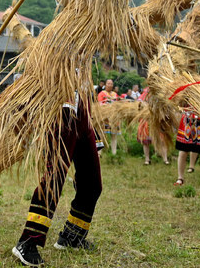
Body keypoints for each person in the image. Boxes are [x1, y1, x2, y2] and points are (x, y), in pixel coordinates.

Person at [13, 90, 102, 266]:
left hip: (82, 112)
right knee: (54, 178)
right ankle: (28, 241)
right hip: (62, 110)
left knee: (92, 183)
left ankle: (72, 237)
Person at [174, 69, 200, 192]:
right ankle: (180, 178)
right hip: (188, 121)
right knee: (183, 152)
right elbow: (180, 102)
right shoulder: (189, 88)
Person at [96, 79, 122, 155]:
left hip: (113, 118)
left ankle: (114, 153)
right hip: (104, 117)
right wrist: (107, 103)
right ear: (105, 85)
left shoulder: (115, 94)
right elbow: (99, 104)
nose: (110, 85)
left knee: (114, 135)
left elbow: (118, 104)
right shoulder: (101, 93)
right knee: (101, 135)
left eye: (111, 83)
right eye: (108, 83)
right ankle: (99, 153)